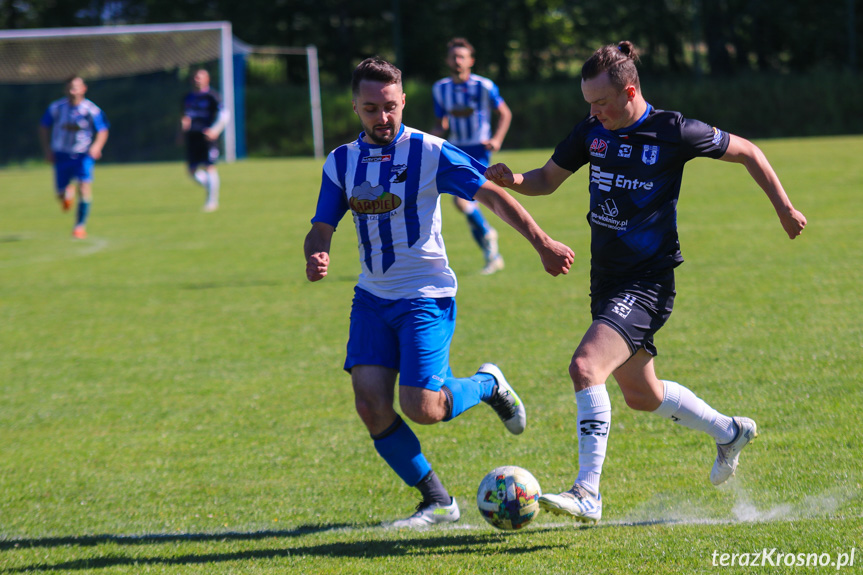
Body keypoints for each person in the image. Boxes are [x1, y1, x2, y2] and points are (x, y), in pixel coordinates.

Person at [485, 41, 807, 525]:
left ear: (629, 90)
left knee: (585, 368)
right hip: (606, 279)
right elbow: (548, 179)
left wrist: (784, 208)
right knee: (641, 394)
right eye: (588, 104)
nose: (593, 112)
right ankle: (729, 432)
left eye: (600, 103)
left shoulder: (673, 130)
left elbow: (749, 152)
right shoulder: (594, 132)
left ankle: (587, 492)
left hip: (648, 282)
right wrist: (514, 180)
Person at [305, 57, 574, 528]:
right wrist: (317, 252)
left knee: (423, 409)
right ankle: (438, 502)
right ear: (355, 107)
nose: (382, 117)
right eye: (371, 108)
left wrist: (542, 242)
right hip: (371, 298)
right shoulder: (340, 162)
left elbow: (490, 194)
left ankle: (488, 384)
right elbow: (321, 225)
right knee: (370, 405)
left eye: (389, 106)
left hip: (425, 296)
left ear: (403, 101)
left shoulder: (430, 151)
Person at [432, 38, 512, 275]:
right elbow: (441, 124)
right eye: (453, 56)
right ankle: (492, 254)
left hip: (478, 150)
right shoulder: (440, 88)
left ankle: (488, 234)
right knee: (465, 203)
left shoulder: (484, 86)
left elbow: (504, 113)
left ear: (471, 61)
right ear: (447, 60)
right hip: (454, 149)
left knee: (462, 201)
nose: (457, 61)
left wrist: (496, 139)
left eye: (462, 56)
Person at [39, 75, 109, 239]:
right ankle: (66, 194)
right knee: (60, 194)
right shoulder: (56, 108)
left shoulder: (91, 110)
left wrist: (97, 146)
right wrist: (47, 149)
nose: (72, 91)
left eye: (76, 87)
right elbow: (43, 127)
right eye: (69, 88)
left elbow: (103, 130)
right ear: (65, 90)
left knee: (84, 187)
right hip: (61, 154)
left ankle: (79, 226)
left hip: (83, 155)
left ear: (83, 89)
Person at [181, 69, 228, 212]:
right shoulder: (188, 97)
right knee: (192, 171)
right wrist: (181, 131)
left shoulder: (212, 97)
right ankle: (211, 186)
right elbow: (185, 116)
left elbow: (225, 115)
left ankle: (212, 201)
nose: (197, 80)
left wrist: (215, 130)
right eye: (195, 77)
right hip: (192, 137)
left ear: (207, 79)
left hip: (207, 137)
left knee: (209, 167)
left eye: (200, 77)